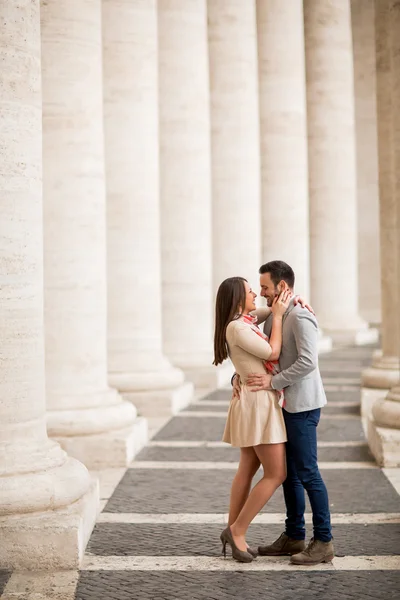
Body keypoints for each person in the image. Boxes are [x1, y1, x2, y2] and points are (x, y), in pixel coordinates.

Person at [234, 260, 334, 566]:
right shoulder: (276, 316)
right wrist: (239, 376)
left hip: (302, 406)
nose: (262, 292)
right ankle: (294, 536)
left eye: (265, 286)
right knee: (287, 474)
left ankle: (324, 541)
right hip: (282, 406)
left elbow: (308, 362)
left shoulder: (301, 316)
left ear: (282, 287)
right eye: (260, 287)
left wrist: (273, 381)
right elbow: (259, 354)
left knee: (307, 473)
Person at [213, 276, 306, 563]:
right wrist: (278, 316)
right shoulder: (238, 328)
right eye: (250, 290)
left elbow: (270, 310)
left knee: (247, 467)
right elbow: (273, 352)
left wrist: (292, 302)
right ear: (238, 298)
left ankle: (233, 530)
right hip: (257, 404)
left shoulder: (243, 321)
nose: (255, 292)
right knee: (276, 473)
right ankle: (238, 531)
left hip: (251, 403)